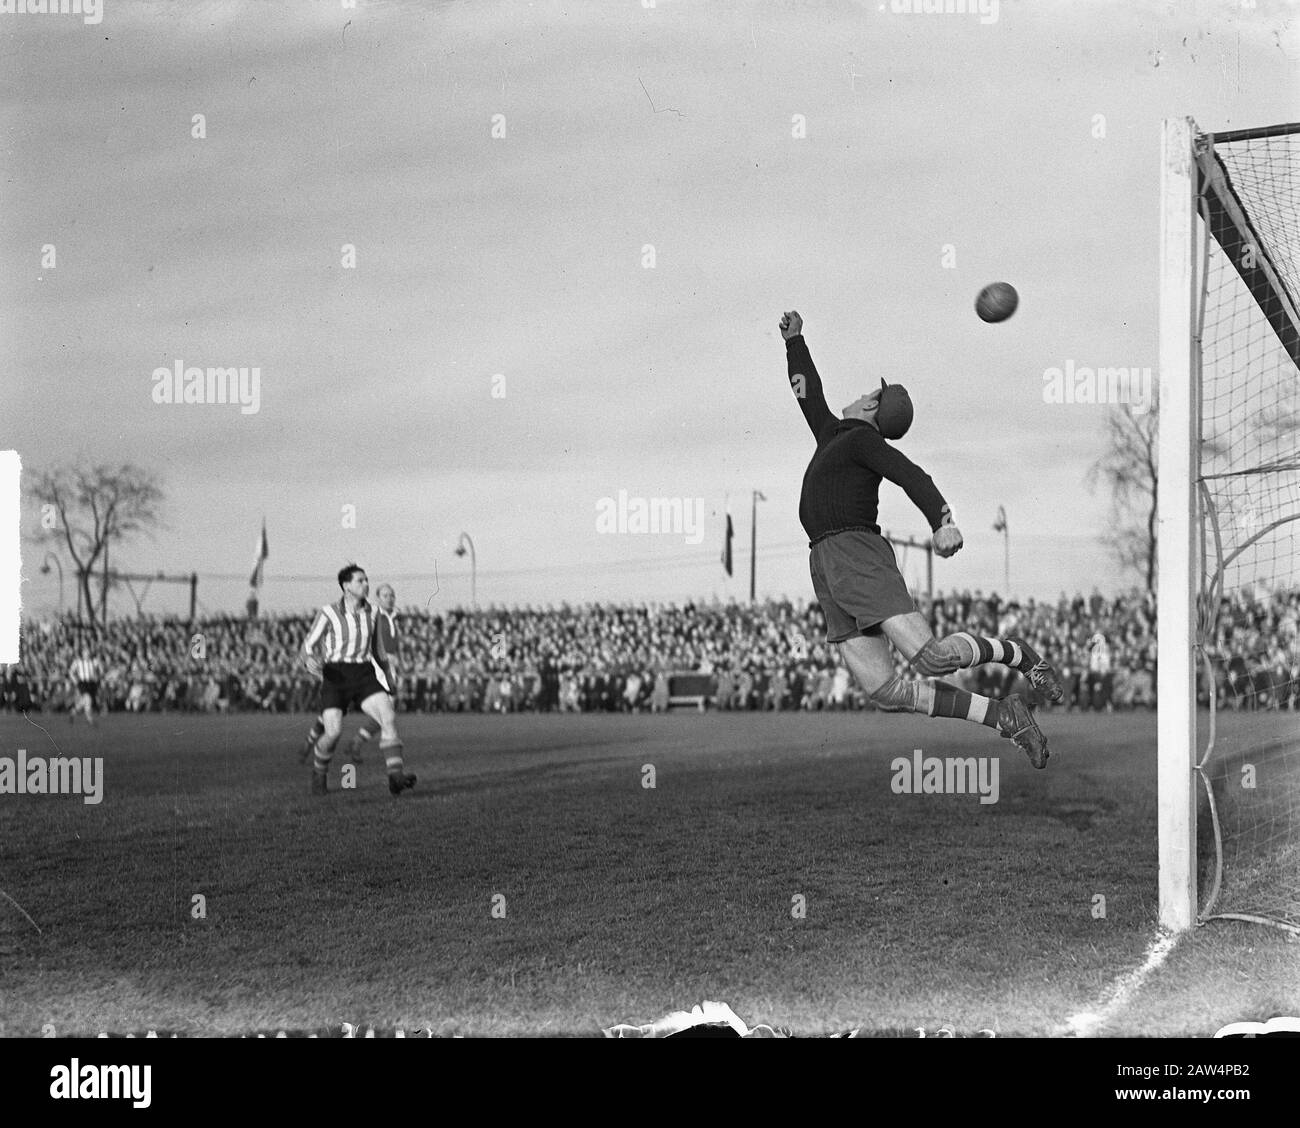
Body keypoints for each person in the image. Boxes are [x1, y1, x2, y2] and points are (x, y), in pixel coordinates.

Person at [779, 309, 1062, 767]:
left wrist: (942, 520)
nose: (861, 394)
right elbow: (808, 393)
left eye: (869, 392)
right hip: (826, 563)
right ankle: (1007, 718)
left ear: (872, 406)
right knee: (887, 692)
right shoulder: (833, 433)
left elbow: (911, 475)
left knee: (930, 659)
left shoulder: (861, 440)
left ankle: (1019, 655)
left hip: (857, 554)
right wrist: (795, 342)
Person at [301, 565, 415, 796]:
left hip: (364, 673)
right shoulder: (328, 613)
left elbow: (379, 651)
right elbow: (307, 646)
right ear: (346, 586)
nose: (366, 584)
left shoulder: (373, 612)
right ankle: (319, 771)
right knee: (332, 732)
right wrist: (309, 661)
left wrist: (388, 677)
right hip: (336, 675)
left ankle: (395, 776)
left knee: (388, 717)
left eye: (366, 580)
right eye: (360, 581)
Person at [301, 581, 401, 764]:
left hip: (383, 667)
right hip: (365, 668)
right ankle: (322, 742)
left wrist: (395, 662)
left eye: (392, 595)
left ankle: (354, 742)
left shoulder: (392, 616)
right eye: (386, 595)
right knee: (346, 711)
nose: (390, 598)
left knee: (384, 713)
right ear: (377, 598)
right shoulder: (371, 614)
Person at [68, 646, 100, 726]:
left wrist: (97, 677)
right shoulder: (78, 661)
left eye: (88, 652)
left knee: (86, 701)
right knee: (88, 699)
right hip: (82, 683)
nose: (87, 653)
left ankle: (73, 711)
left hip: (91, 683)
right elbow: (71, 672)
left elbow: (99, 671)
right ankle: (89, 719)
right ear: (82, 653)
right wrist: (75, 681)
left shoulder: (94, 661)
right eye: (86, 652)